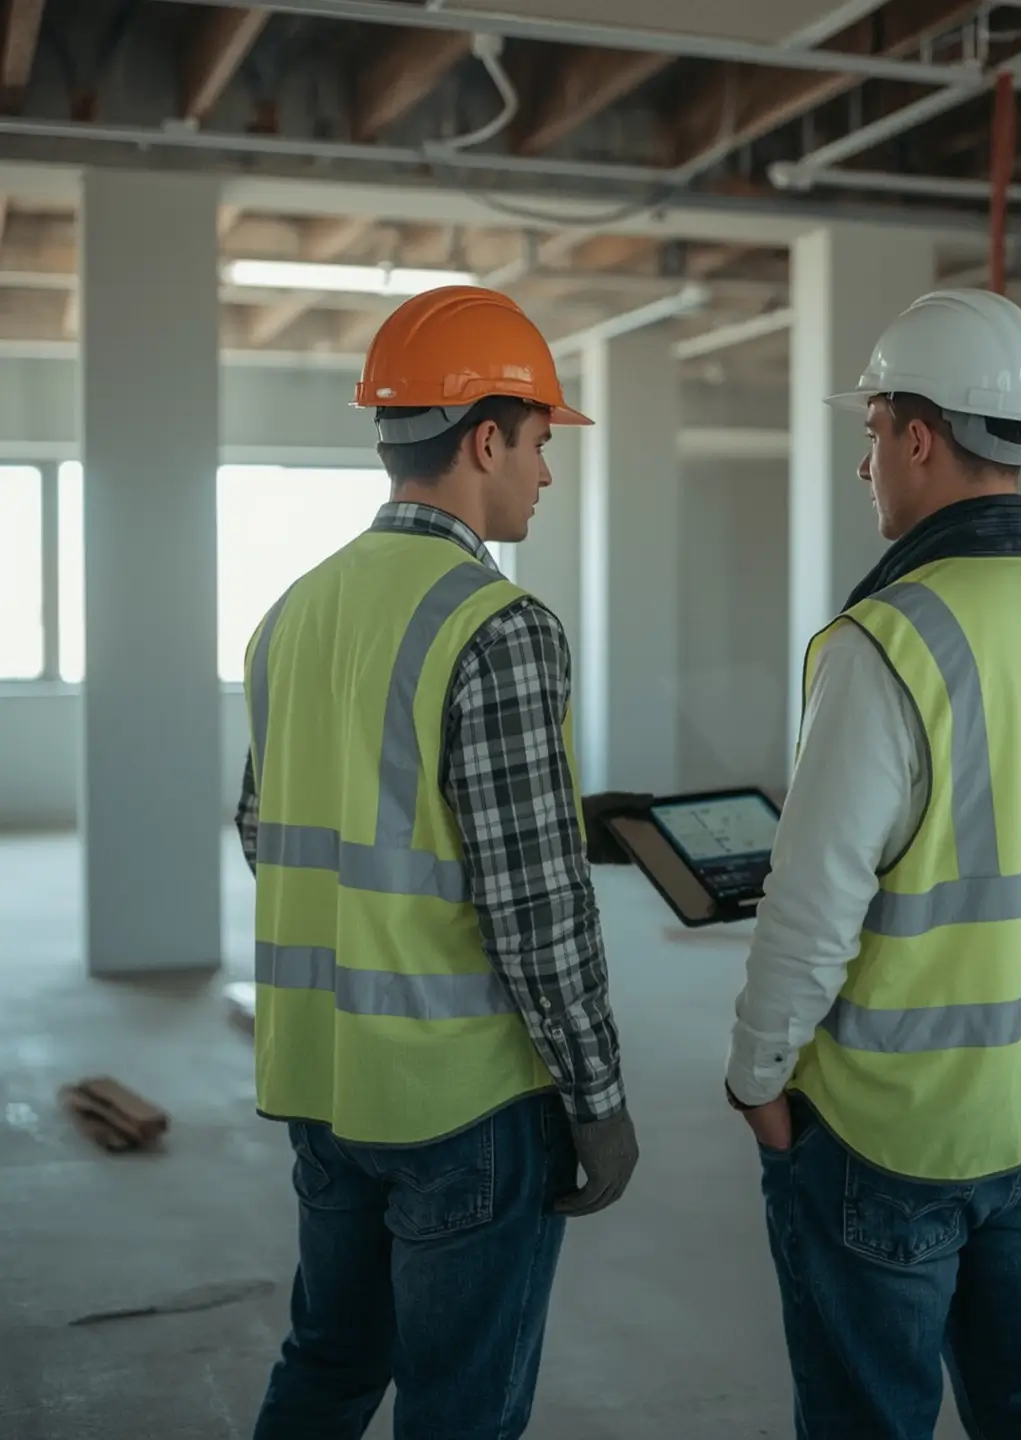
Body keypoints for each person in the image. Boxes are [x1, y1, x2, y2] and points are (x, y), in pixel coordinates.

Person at [725, 288, 1021, 1440]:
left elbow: (813, 904)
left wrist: (760, 1077)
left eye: (870, 431)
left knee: (870, 1416)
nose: (865, 462)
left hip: (894, 1132)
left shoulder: (885, 645)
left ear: (918, 436)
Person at [237, 286, 639, 1440]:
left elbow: (268, 829)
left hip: (323, 1079)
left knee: (326, 1363)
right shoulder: (500, 624)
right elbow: (536, 913)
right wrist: (599, 1101)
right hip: (465, 1101)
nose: (548, 474)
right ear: (483, 439)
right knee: (461, 1406)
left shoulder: (291, 613)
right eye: (542, 441)